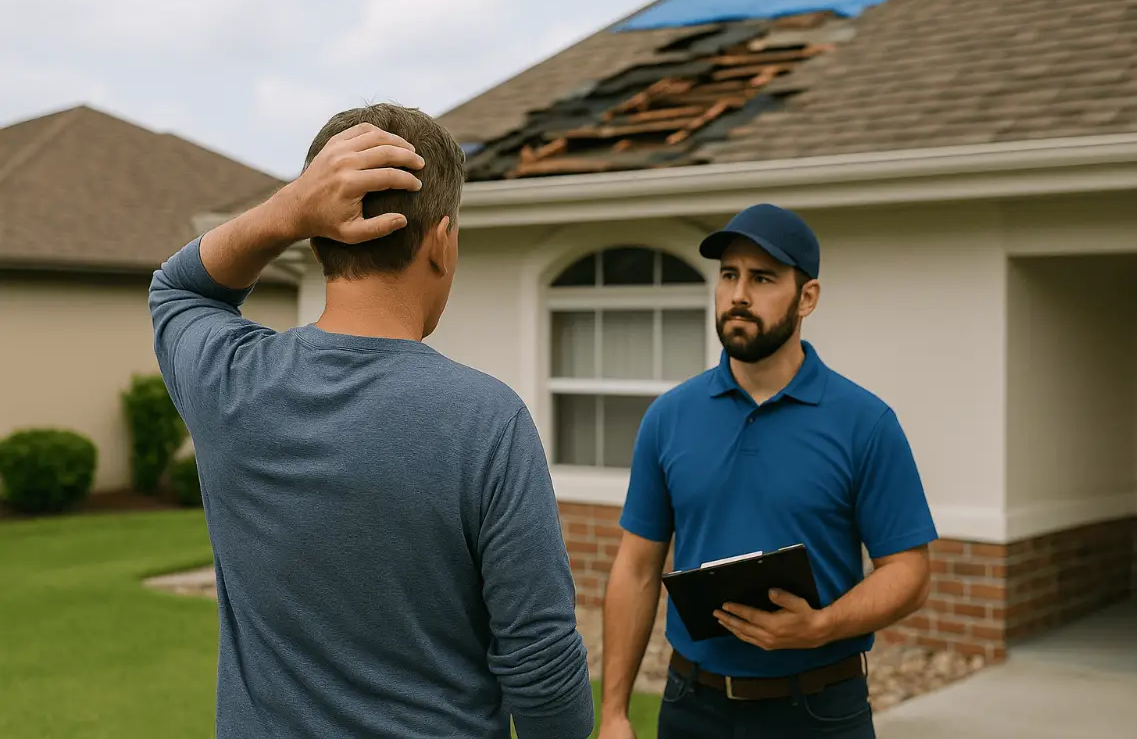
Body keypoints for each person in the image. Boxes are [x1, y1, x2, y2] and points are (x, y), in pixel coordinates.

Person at [149, 104, 593, 739]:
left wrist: (289, 210)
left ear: (316, 233)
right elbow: (541, 662)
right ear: (443, 241)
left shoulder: (230, 383)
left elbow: (179, 289)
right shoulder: (487, 420)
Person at [597, 203, 938, 738]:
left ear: (807, 298)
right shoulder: (669, 418)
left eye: (762, 278)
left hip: (820, 710)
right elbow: (636, 570)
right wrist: (614, 712)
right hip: (693, 707)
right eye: (729, 275)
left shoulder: (865, 422)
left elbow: (909, 574)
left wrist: (821, 626)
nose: (738, 294)